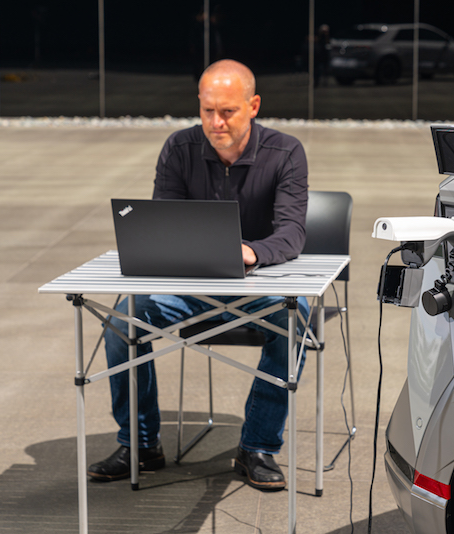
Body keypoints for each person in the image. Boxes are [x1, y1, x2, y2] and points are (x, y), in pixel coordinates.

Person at [87, 59, 309, 491]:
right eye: (207, 110)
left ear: (254, 105)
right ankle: (141, 445)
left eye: (227, 111)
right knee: (120, 323)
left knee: (295, 317)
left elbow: (292, 233)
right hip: (188, 291)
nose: (215, 121)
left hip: (255, 288)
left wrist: (250, 252)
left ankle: (258, 447)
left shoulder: (287, 152)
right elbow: (161, 222)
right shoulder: (178, 148)